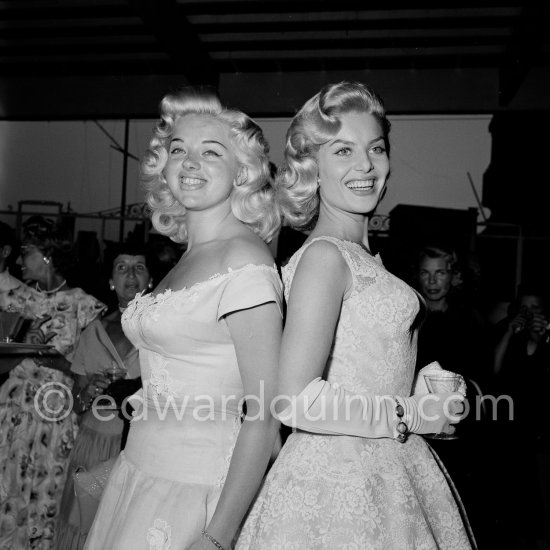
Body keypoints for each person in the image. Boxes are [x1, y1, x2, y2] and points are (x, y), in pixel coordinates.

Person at [237, 81, 475, 549]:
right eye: (343, 150)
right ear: (312, 168)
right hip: (338, 484)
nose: (365, 164)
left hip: (386, 470)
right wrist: (410, 413)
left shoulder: (360, 257)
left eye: (376, 148)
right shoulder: (327, 256)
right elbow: (295, 399)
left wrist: (423, 397)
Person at [84, 87, 283, 550]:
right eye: (179, 151)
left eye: (211, 152)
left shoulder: (244, 259)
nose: (190, 162)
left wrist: (218, 535)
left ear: (242, 172)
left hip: (197, 491)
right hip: (140, 472)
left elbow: (265, 412)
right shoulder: (186, 259)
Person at [0, 216, 105, 549]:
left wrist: (51, 357)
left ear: (47, 254)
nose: (19, 260)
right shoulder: (13, 298)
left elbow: (93, 367)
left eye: (26, 252)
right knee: (9, 483)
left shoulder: (82, 305)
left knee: (47, 488)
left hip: (54, 408)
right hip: (13, 406)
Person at [56, 244, 153, 550]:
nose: (131, 274)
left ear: (150, 278)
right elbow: (76, 403)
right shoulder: (94, 331)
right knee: (83, 525)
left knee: (126, 529)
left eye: (139, 266)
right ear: (111, 280)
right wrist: (88, 391)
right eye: (121, 267)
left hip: (139, 445)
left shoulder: (159, 330)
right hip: (94, 443)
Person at [493, 286, 550, 548]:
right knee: (516, 503)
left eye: (535, 308)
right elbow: (494, 370)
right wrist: (508, 332)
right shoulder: (510, 334)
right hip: (512, 430)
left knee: (541, 502)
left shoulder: (548, 337)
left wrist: (540, 338)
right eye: (524, 308)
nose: (529, 314)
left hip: (540, 434)